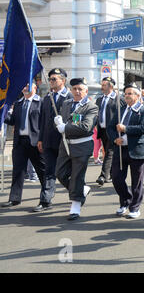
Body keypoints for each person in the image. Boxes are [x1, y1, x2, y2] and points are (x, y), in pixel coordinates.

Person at [54, 78, 98, 221]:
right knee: (60, 174)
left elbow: (86, 127)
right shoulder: (66, 104)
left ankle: (75, 206)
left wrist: (65, 127)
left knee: (77, 176)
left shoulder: (91, 107)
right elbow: (66, 121)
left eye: (80, 89)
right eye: (74, 89)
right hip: (66, 145)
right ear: (71, 90)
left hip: (82, 145)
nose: (77, 91)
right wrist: (59, 123)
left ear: (86, 91)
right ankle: (81, 190)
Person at [107, 82, 144, 218]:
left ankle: (135, 207)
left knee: (136, 181)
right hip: (120, 149)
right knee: (116, 178)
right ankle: (125, 200)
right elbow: (110, 127)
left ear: (138, 96)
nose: (127, 96)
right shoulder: (120, 109)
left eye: (130, 93)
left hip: (136, 150)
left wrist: (126, 129)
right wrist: (115, 138)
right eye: (125, 93)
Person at [34, 68, 73, 212]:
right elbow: (43, 120)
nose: (51, 81)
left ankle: (77, 191)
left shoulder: (70, 96)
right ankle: (45, 201)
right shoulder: (47, 97)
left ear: (63, 80)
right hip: (49, 140)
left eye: (54, 79)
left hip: (65, 141)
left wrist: (67, 127)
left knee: (64, 173)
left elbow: (76, 119)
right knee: (48, 171)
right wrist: (40, 139)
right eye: (50, 79)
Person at [2, 83, 45, 208]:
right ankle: (14, 198)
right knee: (18, 171)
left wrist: (42, 140)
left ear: (35, 88)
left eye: (29, 85)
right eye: (24, 86)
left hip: (36, 142)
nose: (26, 88)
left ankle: (46, 198)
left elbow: (43, 124)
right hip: (20, 142)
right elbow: (13, 121)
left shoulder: (41, 102)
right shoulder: (19, 103)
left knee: (42, 171)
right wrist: (3, 113)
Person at [95, 77, 126, 187]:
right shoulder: (100, 99)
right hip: (102, 130)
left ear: (111, 87)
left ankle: (103, 175)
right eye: (102, 84)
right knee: (107, 151)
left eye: (104, 85)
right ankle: (113, 173)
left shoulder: (119, 99)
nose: (102, 87)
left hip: (113, 130)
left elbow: (124, 114)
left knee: (109, 152)